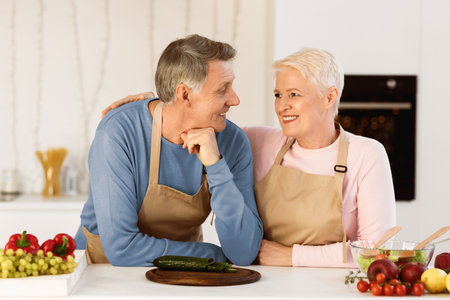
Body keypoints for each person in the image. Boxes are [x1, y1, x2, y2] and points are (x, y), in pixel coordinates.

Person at [102, 47, 396, 268]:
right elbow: (188, 117)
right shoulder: (260, 141)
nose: (282, 106)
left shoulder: (366, 154)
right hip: (265, 284)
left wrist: (291, 256)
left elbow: (378, 252)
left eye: (293, 94)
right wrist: (156, 104)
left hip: (335, 288)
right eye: (278, 95)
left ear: (330, 97)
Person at [74, 34, 263, 267]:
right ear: (184, 94)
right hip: (102, 272)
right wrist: (211, 256)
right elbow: (122, 249)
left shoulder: (233, 142)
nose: (235, 100)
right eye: (222, 89)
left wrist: (216, 166)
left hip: (182, 272)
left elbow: (244, 253)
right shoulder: (119, 132)